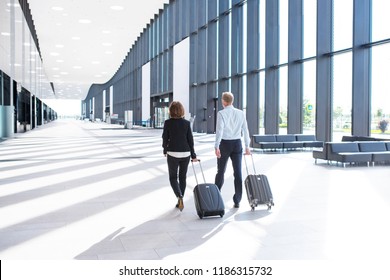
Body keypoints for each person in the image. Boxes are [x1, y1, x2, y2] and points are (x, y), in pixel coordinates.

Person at [214, 92, 251, 208]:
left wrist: (216, 146)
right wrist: (247, 146)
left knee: (221, 171)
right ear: (232, 101)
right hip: (237, 144)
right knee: (238, 172)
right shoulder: (241, 113)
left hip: (224, 144)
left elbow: (219, 130)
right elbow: (245, 130)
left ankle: (216, 197)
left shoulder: (221, 113)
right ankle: (237, 199)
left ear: (223, 101)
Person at [162, 101, 197, 211]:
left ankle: (179, 196)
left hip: (172, 152)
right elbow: (190, 140)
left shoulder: (168, 123)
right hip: (185, 153)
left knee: (173, 177)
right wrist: (193, 154)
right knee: (182, 177)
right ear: (182, 110)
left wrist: (165, 149)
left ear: (171, 111)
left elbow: (165, 138)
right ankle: (180, 198)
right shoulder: (186, 123)